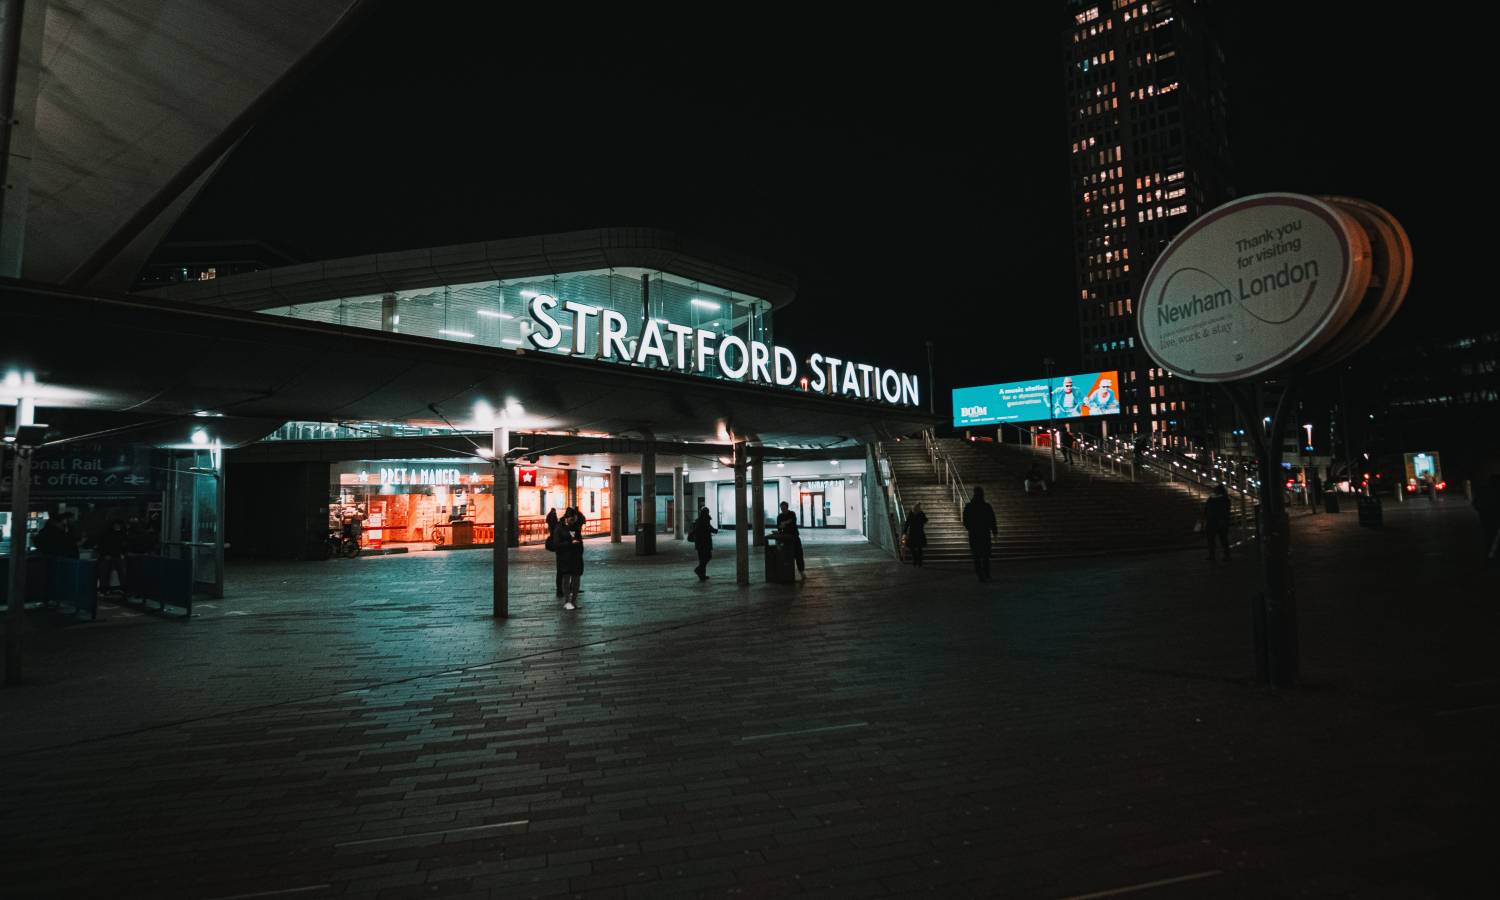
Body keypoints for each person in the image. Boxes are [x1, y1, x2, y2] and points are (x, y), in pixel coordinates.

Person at [962, 487, 998, 582]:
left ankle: (980, 575)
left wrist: (970, 528)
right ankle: (986, 573)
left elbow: (965, 520)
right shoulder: (986, 506)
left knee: (976, 556)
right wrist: (994, 532)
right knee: (985, 555)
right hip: (984, 533)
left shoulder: (969, 506)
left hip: (974, 533)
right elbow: (992, 520)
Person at [552, 507, 582, 609]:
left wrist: (579, 549)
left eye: (574, 519)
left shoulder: (576, 527)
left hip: (576, 557)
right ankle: (567, 602)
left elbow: (579, 541)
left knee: (576, 579)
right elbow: (556, 544)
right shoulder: (559, 528)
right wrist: (570, 543)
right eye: (571, 519)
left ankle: (574, 601)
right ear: (566, 518)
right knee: (566, 579)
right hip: (565, 558)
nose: (573, 522)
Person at [96, 520, 128, 595]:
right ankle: (122, 589)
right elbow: (123, 544)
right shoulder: (121, 534)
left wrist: (104, 554)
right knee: (120, 573)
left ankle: (104, 589)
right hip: (114, 555)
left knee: (106, 573)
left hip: (110, 555)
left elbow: (102, 544)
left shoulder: (107, 533)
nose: (117, 526)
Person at [775, 500, 805, 578]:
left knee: (798, 554)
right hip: (785, 537)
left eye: (784, 508)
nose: (783, 510)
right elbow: (779, 527)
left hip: (794, 536)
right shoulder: (780, 516)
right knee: (786, 555)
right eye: (781, 509)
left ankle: (801, 571)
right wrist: (787, 523)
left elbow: (793, 523)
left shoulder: (792, 513)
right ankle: (786, 572)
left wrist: (784, 524)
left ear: (787, 508)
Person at [1474, 474, 1500, 562]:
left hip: (1487, 518)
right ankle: (1491, 556)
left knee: (1489, 537)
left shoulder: (1484, 490)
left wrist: (1482, 511)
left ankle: (1490, 556)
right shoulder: (1494, 491)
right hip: (1492, 517)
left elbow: (1476, 503)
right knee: (1492, 537)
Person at [689, 506, 718, 581]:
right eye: (707, 511)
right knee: (707, 557)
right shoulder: (702, 520)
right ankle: (699, 570)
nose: (708, 513)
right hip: (703, 542)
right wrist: (714, 530)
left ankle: (702, 575)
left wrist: (714, 530)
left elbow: (708, 527)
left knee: (703, 559)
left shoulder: (702, 519)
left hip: (701, 542)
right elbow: (706, 528)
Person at [1204, 484, 1231, 561]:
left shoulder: (1216, 499)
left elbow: (1224, 511)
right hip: (1215, 521)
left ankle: (1222, 555)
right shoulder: (1223, 499)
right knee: (1218, 539)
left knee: (1219, 539)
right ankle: (1217, 555)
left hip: (1217, 521)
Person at [545, 508, 562, 596]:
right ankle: (560, 589)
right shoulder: (560, 528)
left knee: (560, 572)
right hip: (562, 555)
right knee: (562, 572)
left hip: (560, 555)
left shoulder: (551, 515)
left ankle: (560, 589)